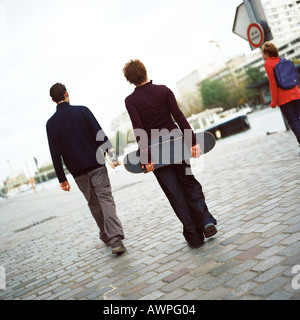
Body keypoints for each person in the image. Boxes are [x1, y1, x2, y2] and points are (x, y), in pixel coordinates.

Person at [122, 60, 217, 248]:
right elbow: (179, 116)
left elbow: (138, 128)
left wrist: (146, 157)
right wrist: (191, 142)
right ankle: (206, 220)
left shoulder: (130, 101)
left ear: (130, 80)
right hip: (176, 144)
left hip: (155, 151)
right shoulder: (163, 90)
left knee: (175, 193)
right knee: (189, 183)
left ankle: (194, 236)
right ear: (145, 71)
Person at [46, 83, 126, 254]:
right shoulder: (82, 111)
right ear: (66, 93)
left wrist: (62, 178)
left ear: (52, 100)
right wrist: (111, 155)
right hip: (96, 164)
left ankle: (105, 235)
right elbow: (99, 134)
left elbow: (55, 152)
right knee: (105, 199)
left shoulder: (51, 124)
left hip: (77, 171)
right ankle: (116, 240)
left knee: (93, 202)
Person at [262, 42, 300, 147]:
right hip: (296, 93)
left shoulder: (268, 64)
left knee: (293, 122)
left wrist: (273, 102)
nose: (262, 56)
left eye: (263, 53)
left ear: (266, 53)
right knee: (298, 119)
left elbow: (273, 84)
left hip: (284, 99)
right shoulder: (284, 60)